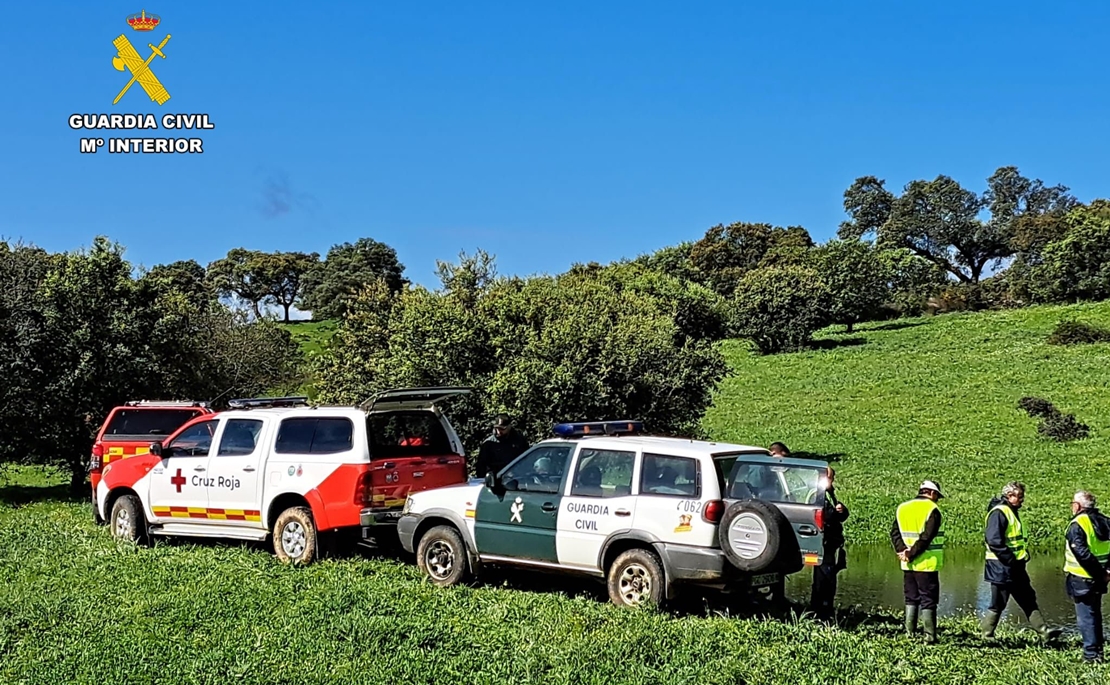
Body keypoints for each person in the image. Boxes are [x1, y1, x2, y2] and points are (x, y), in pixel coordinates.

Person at [981, 481, 1057, 642]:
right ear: (1010, 496)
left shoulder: (1010, 511)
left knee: (1028, 597)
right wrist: (1010, 560)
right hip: (1001, 567)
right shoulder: (999, 513)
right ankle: (987, 635)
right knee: (999, 602)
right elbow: (994, 541)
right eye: (1020, 497)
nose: (1022, 500)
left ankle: (1045, 632)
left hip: (1014, 566)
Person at [891, 480, 945, 643]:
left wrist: (903, 551)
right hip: (927, 563)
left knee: (911, 597)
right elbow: (927, 537)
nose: (937, 500)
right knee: (928, 599)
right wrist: (912, 553)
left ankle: (910, 634)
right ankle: (929, 637)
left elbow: (894, 533)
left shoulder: (903, 508)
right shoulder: (932, 510)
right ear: (932, 493)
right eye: (937, 496)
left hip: (907, 563)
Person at [1064, 490, 1110, 663]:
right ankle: (1098, 652)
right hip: (1100, 577)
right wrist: (1106, 573)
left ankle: (1091, 655)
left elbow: (1082, 553)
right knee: (1094, 614)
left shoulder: (1077, 524)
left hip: (1082, 577)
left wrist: (1100, 573)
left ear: (1077, 506)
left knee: (1086, 617)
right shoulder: (1105, 521)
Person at [810, 466, 848, 620]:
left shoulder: (829, 493)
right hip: (823, 544)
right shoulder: (816, 494)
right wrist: (834, 512)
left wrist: (842, 511)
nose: (831, 481)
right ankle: (820, 611)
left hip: (831, 545)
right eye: (830, 478)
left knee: (830, 577)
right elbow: (822, 516)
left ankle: (825, 608)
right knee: (823, 579)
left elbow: (839, 516)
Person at [474, 413, 529, 479]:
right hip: (496, 480)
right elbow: (481, 466)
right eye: (497, 428)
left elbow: (527, 460)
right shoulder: (489, 444)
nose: (499, 432)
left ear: (509, 426)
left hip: (517, 479)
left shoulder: (519, 441)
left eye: (502, 429)